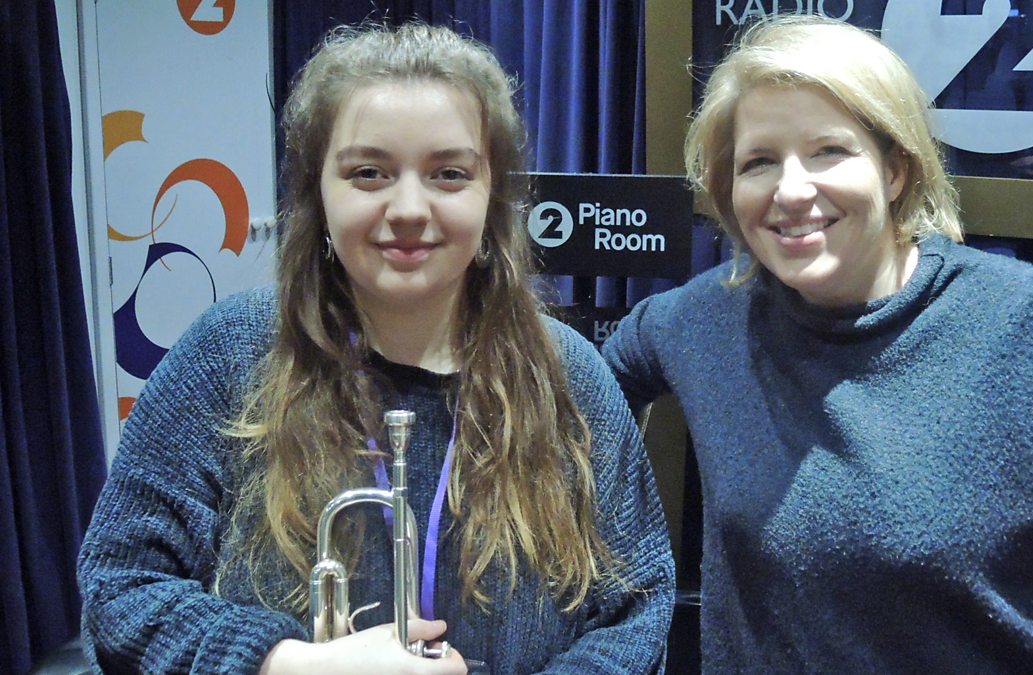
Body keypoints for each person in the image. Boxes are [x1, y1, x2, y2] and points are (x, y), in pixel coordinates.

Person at [602, 14, 1033, 673]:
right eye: (759, 162)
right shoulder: (703, 319)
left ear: (894, 170)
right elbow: (595, 384)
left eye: (829, 151)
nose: (792, 189)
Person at [78, 22, 674, 674]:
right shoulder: (226, 354)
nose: (409, 207)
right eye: (369, 172)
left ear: (493, 198)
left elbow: (635, 612)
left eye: (449, 173)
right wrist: (284, 664)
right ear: (318, 194)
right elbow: (120, 588)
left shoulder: (569, 375)